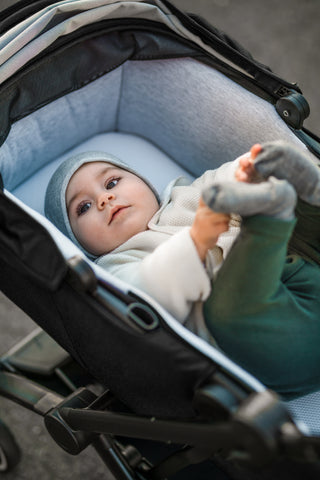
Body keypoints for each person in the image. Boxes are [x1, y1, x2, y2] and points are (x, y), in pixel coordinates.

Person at [45, 141, 320, 399]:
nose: (104, 198)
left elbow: (221, 177)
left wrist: (249, 168)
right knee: (223, 311)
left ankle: (304, 189)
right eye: (84, 207)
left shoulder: (186, 196)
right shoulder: (114, 268)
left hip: (305, 275)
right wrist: (197, 239)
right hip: (270, 344)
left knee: (285, 207)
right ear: (78, 243)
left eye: (112, 182)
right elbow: (146, 290)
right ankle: (271, 216)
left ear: (145, 183)